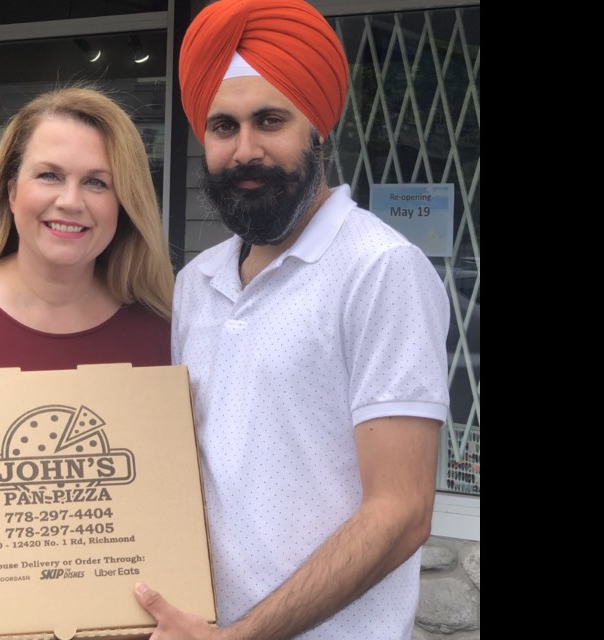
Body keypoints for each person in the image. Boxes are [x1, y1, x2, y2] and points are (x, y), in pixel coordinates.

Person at [132, 1, 450, 638]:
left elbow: (403, 508)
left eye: (270, 120)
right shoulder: (197, 283)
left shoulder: (381, 269)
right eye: (223, 127)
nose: (245, 150)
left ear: (319, 129)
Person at [0, 85, 176, 640]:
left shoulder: (161, 336)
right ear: (11, 190)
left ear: (125, 203)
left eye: (97, 182)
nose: (71, 200)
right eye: (49, 175)